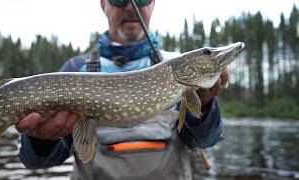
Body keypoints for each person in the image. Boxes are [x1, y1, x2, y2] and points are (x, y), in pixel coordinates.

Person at [16, 0, 228, 179]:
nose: (130, 6)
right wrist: (39, 139)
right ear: (103, 4)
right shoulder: (75, 71)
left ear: (153, 3)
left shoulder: (177, 66)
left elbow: (204, 140)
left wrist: (205, 105)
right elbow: (35, 162)